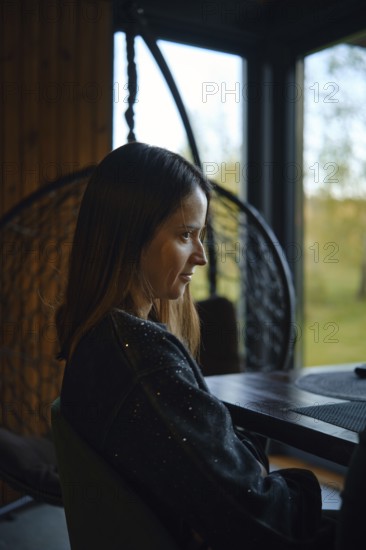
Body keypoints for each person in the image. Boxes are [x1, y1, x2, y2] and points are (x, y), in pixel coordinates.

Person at [57, 142, 337, 549]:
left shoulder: (104, 343)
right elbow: (250, 516)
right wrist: (307, 489)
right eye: (186, 235)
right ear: (129, 236)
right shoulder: (141, 357)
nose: (201, 257)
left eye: (200, 235)